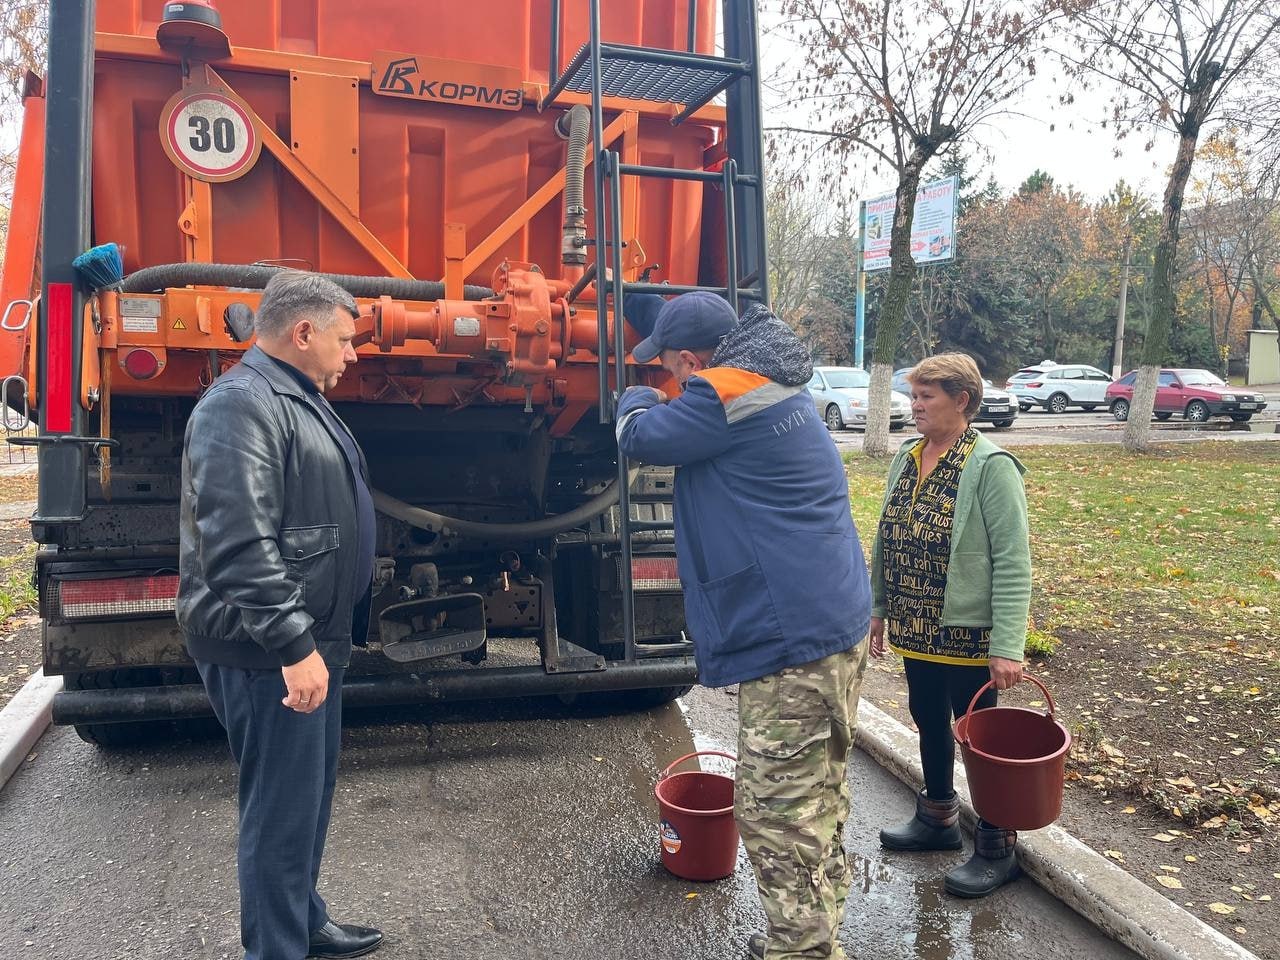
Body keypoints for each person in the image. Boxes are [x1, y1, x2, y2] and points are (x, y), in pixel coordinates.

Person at [616, 292, 872, 960]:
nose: (670, 379)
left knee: (777, 812)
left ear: (693, 359)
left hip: (793, 639)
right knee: (815, 795)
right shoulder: (769, 379)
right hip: (826, 624)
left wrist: (634, 397)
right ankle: (813, 937)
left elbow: (640, 438)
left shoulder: (725, 392)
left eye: (669, 369)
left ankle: (803, 950)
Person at [177, 270, 383, 960]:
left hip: (300, 637)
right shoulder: (239, 404)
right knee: (279, 810)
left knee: (306, 799)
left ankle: (303, 920)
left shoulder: (288, 393)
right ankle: (278, 948)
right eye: (344, 340)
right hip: (266, 647)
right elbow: (238, 544)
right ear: (304, 333)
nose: (350, 354)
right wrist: (294, 645)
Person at [869, 353, 1031, 899]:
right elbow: (886, 535)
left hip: (966, 632)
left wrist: (1007, 645)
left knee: (979, 736)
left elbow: (1013, 560)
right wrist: (878, 606)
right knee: (926, 716)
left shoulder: (991, 465)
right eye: (914, 396)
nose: (914, 406)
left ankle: (997, 846)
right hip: (917, 625)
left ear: (961, 401)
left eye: (926, 397)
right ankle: (938, 816)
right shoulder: (910, 456)